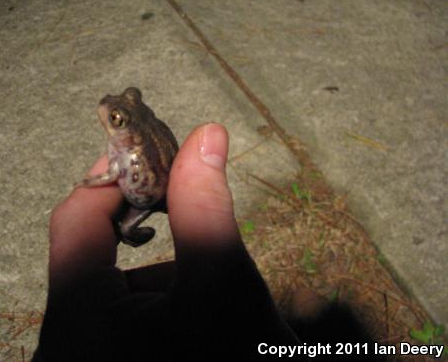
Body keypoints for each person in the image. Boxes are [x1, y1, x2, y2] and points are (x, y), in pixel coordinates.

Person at [33, 123, 302, 361]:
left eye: (118, 120)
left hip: (147, 196)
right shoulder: (128, 148)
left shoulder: (128, 152)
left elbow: (111, 172)